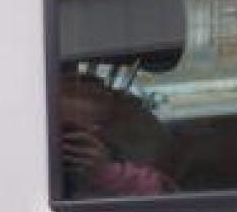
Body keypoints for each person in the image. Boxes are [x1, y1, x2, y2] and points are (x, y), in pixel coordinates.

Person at [58, 69, 176, 198]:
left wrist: (105, 172)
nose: (67, 141)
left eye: (74, 130)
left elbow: (166, 199)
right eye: (61, 129)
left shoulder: (120, 163)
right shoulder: (36, 164)